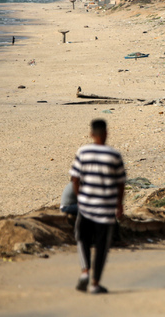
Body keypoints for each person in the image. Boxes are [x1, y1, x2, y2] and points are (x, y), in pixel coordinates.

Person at [70, 119, 126, 294]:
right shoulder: (114, 155)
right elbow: (121, 184)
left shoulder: (83, 152)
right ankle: (95, 284)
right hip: (106, 209)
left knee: (82, 239)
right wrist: (119, 205)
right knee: (102, 246)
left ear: (91, 134)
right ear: (106, 133)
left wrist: (80, 197)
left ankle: (85, 271)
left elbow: (75, 178)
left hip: (86, 206)